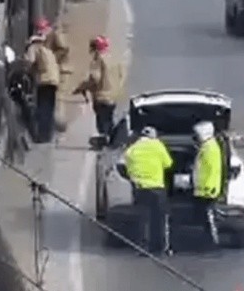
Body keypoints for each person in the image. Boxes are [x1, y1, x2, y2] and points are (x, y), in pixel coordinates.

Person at [123, 126, 173, 256]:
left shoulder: (133, 149)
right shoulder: (157, 145)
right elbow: (168, 163)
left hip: (140, 188)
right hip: (157, 188)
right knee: (159, 219)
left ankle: (143, 247)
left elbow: (126, 164)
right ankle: (160, 247)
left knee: (144, 218)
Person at [73, 36, 122, 136]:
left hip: (101, 96)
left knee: (102, 122)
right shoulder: (114, 59)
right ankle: (111, 141)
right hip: (113, 96)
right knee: (109, 120)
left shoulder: (98, 60)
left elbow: (95, 78)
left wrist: (82, 87)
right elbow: (121, 75)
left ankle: (103, 142)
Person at [192, 121, 224, 248]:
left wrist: (208, 188)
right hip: (203, 188)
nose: (196, 137)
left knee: (208, 216)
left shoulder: (209, 148)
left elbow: (211, 169)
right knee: (205, 216)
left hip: (207, 188)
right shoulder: (207, 146)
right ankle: (208, 239)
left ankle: (212, 241)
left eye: (198, 134)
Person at [24, 33, 60, 143]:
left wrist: (25, 68)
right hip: (54, 81)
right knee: (49, 109)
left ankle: (42, 136)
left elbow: (29, 62)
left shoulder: (34, 48)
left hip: (44, 81)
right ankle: (49, 135)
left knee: (43, 108)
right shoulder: (48, 50)